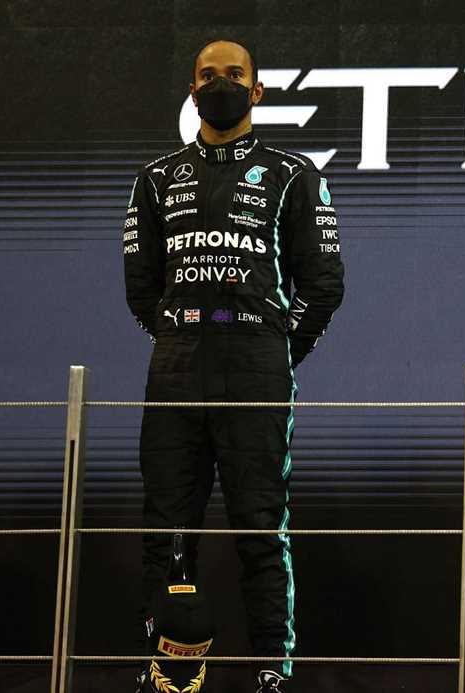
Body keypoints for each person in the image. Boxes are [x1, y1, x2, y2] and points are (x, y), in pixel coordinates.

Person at [124, 40, 345, 690]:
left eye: (234, 75)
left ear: (258, 91)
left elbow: (324, 283)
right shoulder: (156, 178)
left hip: (256, 372)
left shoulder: (293, 175)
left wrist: (272, 349)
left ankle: (273, 672)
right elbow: (142, 287)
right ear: (193, 93)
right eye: (207, 75)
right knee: (166, 531)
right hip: (176, 369)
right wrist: (183, 335)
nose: (220, 83)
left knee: (260, 527)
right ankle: (166, 671)